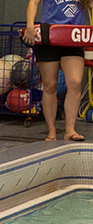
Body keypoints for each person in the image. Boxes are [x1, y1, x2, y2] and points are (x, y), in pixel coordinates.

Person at [25, 0, 90, 141]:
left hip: (73, 36)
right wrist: (30, 26)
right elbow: (33, 3)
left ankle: (70, 130)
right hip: (49, 34)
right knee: (50, 85)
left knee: (75, 82)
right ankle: (51, 130)